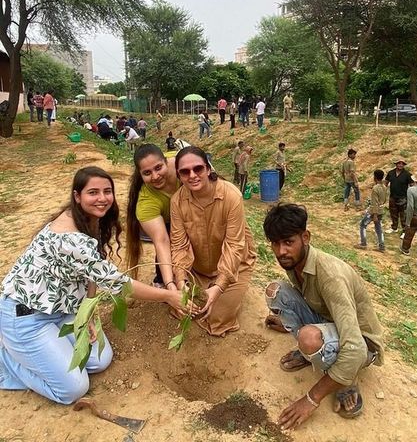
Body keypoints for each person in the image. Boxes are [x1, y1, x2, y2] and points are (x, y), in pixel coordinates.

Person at [0, 167, 187, 405]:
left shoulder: (88, 220)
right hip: (26, 318)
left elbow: (91, 275)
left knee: (100, 360)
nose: (102, 198)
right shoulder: (71, 239)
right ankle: (7, 359)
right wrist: (168, 296)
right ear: (77, 196)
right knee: (73, 389)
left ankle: (40, 353)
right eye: (93, 192)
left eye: (107, 191)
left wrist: (86, 312)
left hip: (61, 312)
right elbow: (118, 283)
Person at [263, 203, 383, 429]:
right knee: (275, 292)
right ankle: (313, 353)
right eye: (275, 244)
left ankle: (346, 380)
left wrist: (311, 399)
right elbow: (310, 299)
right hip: (329, 321)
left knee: (309, 338)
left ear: (305, 237)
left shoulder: (330, 276)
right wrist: (287, 320)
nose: (281, 251)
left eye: (288, 242)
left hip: (362, 343)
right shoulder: (296, 262)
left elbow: (356, 346)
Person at [170, 146, 256, 336]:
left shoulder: (232, 196)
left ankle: (229, 291)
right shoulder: (177, 201)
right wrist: (180, 280)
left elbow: (234, 246)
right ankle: (205, 287)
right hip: (198, 268)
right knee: (187, 308)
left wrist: (219, 286)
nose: (192, 175)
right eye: (185, 172)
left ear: (208, 169)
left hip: (235, 265)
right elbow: (179, 245)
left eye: (198, 169)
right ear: (179, 176)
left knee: (217, 319)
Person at [126, 144, 180, 289]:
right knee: (168, 242)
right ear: (140, 174)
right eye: (147, 173)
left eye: (158, 168)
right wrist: (169, 283)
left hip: (191, 214)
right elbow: (161, 241)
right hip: (167, 220)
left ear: (166, 161)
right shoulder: (146, 202)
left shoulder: (183, 166)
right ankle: (161, 280)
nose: (155, 176)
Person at [355, 169, 387, 252]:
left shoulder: (375, 188)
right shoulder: (384, 187)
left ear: (375, 177)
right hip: (381, 209)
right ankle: (381, 246)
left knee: (362, 225)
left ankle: (363, 243)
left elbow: (374, 203)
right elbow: (384, 200)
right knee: (378, 228)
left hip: (373, 211)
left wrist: (374, 214)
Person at [385, 160, 413, 234]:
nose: (400, 165)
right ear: (396, 164)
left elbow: (412, 184)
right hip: (392, 197)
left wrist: (411, 195)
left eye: (402, 164)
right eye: (399, 163)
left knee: (403, 215)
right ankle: (394, 228)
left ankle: (404, 231)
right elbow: (386, 182)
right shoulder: (391, 173)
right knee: (393, 213)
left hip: (403, 197)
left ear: (404, 165)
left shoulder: (407, 174)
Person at [400, 169, 417, 265]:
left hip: (415, 216)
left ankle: (405, 250)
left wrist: (407, 221)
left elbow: (410, 206)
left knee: (409, 234)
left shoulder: (411, 190)